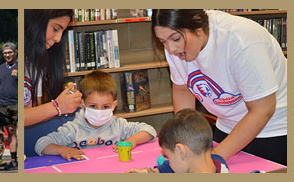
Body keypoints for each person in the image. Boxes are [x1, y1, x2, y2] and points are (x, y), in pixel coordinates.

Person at [151, 9, 287, 165]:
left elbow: (263, 110)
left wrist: (212, 158)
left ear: (197, 24)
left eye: (175, 39)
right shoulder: (175, 45)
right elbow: (182, 89)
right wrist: (184, 143)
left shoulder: (240, 39)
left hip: (275, 130)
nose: (171, 49)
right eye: (163, 42)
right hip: (227, 126)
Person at [34, 70, 156, 161]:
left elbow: (149, 130)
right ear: (82, 104)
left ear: (114, 106)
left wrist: (132, 140)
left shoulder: (119, 126)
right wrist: (63, 150)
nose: (99, 111)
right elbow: (41, 144)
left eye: (105, 107)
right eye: (93, 106)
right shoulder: (73, 129)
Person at [23, 9, 80, 127]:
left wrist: (64, 104)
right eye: (55, 29)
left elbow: (32, 113)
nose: (58, 39)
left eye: (62, 32)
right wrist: (57, 106)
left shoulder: (35, 63)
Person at [125, 109, 229, 173]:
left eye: (169, 157)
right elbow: (168, 168)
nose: (169, 163)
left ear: (180, 151)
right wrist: (152, 172)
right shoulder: (218, 163)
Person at [0, 43, 19, 169]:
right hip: (4, 106)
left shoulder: (21, 67)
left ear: (16, 52)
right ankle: (14, 160)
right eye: (5, 53)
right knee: (11, 132)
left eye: (9, 52)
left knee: (20, 131)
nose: (7, 55)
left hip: (18, 105)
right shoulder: (0, 69)